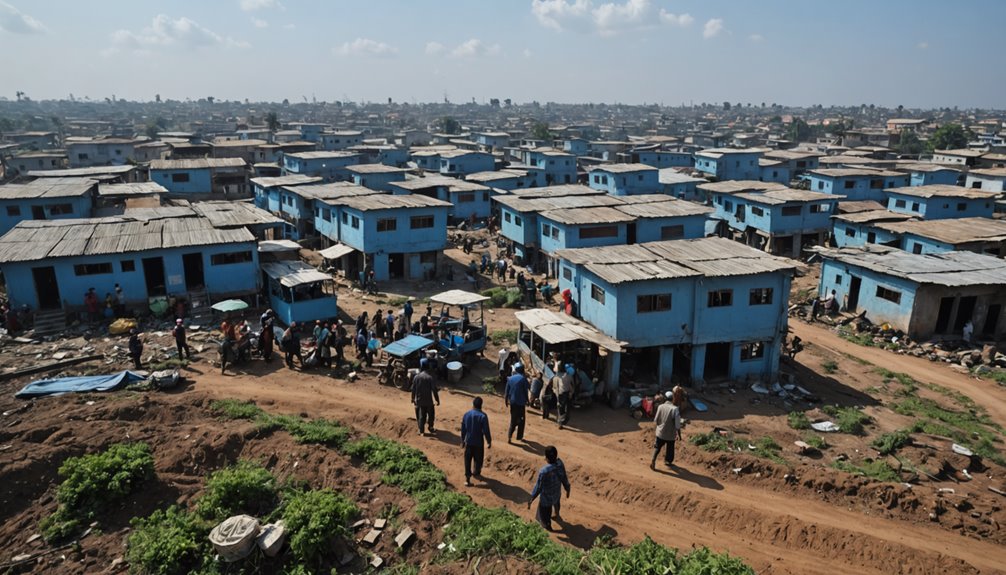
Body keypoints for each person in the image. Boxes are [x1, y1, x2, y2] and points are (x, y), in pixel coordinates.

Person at [527, 445, 570, 531]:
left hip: (546, 499)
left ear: (546, 458)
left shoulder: (544, 471)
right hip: (557, 493)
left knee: (545, 514)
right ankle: (557, 514)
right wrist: (567, 489)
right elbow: (564, 478)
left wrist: (532, 498)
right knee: (556, 503)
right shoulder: (560, 464)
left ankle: (548, 526)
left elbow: (539, 487)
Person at [461, 396, 492, 486]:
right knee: (478, 460)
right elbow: (486, 430)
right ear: (481, 405)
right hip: (478, 443)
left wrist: (462, 441)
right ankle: (476, 472)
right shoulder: (483, 416)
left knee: (467, 460)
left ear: (473, 404)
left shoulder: (467, 414)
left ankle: (467, 479)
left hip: (469, 442)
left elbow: (463, 429)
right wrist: (489, 441)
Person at [651, 388, 683, 469]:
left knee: (657, 447)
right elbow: (677, 424)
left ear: (665, 398)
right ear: (673, 399)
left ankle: (653, 459)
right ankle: (668, 461)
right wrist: (679, 434)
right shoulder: (675, 409)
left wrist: (660, 427)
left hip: (660, 432)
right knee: (670, 448)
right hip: (670, 434)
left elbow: (656, 420)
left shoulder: (660, 406)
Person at [412, 358, 440, 436]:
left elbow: (413, 389)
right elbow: (434, 390)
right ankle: (430, 427)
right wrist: (437, 400)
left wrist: (412, 399)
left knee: (421, 416)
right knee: (431, 415)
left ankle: (421, 431)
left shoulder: (416, 377)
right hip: (429, 401)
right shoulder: (430, 377)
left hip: (419, 400)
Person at [504, 363, 531, 443]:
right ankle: (520, 437)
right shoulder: (523, 379)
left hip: (512, 402)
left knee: (513, 420)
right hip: (521, 403)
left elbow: (506, 391)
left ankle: (509, 436)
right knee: (522, 420)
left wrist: (506, 400)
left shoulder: (510, 378)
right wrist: (528, 401)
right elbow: (526, 390)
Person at [556, 363, 574, 429]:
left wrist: (557, 394)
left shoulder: (558, 375)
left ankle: (560, 423)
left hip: (561, 393)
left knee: (560, 408)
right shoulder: (569, 375)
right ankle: (563, 420)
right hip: (567, 393)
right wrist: (571, 393)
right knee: (566, 408)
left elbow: (556, 386)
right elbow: (572, 385)